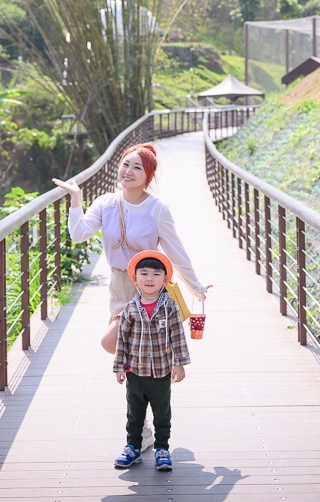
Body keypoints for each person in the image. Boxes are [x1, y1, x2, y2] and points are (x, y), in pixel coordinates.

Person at [52, 142, 209, 354]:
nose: (128, 171)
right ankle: (141, 383)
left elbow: (176, 251)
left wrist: (195, 286)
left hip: (148, 284)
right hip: (119, 284)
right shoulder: (105, 203)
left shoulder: (157, 209)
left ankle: (155, 381)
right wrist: (75, 199)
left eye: (137, 168)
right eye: (126, 164)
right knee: (121, 347)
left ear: (148, 176)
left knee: (117, 342)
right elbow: (79, 234)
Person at [112, 250, 189, 471]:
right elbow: (123, 340)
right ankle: (133, 447)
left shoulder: (169, 306)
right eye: (143, 273)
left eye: (156, 274)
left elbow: (177, 335)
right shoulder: (130, 308)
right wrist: (119, 366)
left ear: (165, 279)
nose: (149, 279)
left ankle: (162, 448)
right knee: (134, 413)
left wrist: (179, 363)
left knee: (162, 412)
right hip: (135, 371)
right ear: (134, 278)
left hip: (161, 371)